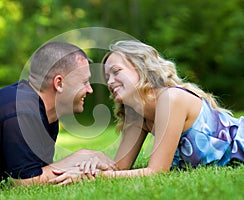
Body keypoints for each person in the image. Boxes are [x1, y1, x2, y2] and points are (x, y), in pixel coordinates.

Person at [0, 41, 115, 189]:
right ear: (59, 83)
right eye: (84, 82)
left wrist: (87, 163)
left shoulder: (45, 113)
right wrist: (82, 155)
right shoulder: (21, 111)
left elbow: (41, 170)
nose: (90, 89)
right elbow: (26, 182)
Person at [78, 39, 244, 179]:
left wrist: (98, 176)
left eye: (116, 72)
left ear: (141, 67)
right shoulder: (135, 114)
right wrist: (90, 165)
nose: (110, 82)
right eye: (107, 77)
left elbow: (157, 171)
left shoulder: (171, 99)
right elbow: (120, 168)